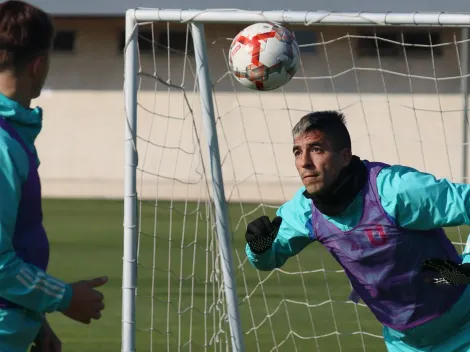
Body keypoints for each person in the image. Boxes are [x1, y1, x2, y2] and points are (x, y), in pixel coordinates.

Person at [245, 110, 470, 352]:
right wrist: (259, 248)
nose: (304, 162)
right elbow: (268, 259)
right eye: (298, 152)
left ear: (345, 156)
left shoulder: (396, 191)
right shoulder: (305, 211)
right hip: (406, 344)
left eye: (316, 149)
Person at [0, 1, 107, 351]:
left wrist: (36, 320)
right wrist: (63, 297)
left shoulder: (13, 134)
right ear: (39, 64)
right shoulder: (2, 144)